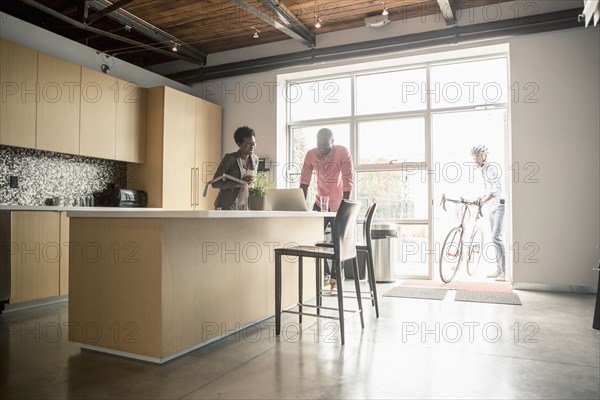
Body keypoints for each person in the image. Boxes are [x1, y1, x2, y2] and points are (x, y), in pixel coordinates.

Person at [300, 128, 354, 290]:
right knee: (316, 240)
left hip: (339, 203)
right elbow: (304, 181)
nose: (321, 147)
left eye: (325, 144)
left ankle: (336, 278)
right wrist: (301, 205)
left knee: (337, 241)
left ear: (332, 141)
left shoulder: (342, 152)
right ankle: (324, 274)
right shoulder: (311, 155)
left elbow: (348, 179)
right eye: (319, 143)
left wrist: (345, 206)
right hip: (320, 202)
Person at [471, 145, 506, 281]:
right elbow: (488, 190)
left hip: (499, 206)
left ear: (485, 156)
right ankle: (499, 270)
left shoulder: (491, 168)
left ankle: (505, 272)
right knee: (494, 238)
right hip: (491, 207)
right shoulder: (483, 170)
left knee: (497, 237)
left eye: (478, 156)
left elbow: (497, 189)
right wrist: (481, 198)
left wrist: (484, 200)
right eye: (474, 157)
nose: (475, 159)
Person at [211, 126, 258, 210]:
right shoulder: (230, 158)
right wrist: (239, 183)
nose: (252, 147)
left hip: (244, 206)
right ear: (239, 144)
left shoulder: (255, 159)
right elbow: (215, 183)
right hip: (226, 206)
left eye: (253, 144)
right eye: (248, 145)